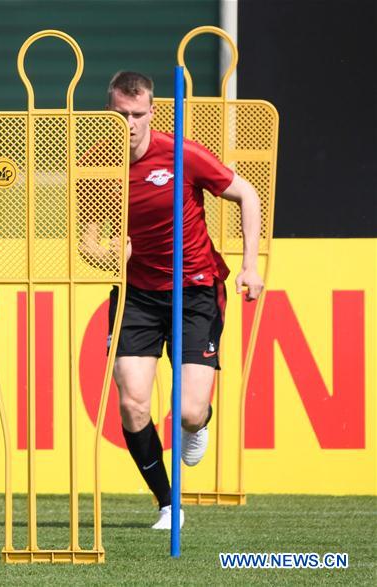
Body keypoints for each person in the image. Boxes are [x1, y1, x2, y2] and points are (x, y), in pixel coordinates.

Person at [101, 71, 263, 530]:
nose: (130, 123)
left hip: (195, 290)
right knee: (132, 404)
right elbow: (87, 236)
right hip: (136, 295)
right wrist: (106, 254)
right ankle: (168, 503)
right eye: (121, 114)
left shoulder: (181, 154)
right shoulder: (97, 165)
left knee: (189, 413)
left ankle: (198, 423)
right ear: (108, 112)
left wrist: (250, 265)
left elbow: (246, 194)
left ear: (152, 112)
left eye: (138, 114)